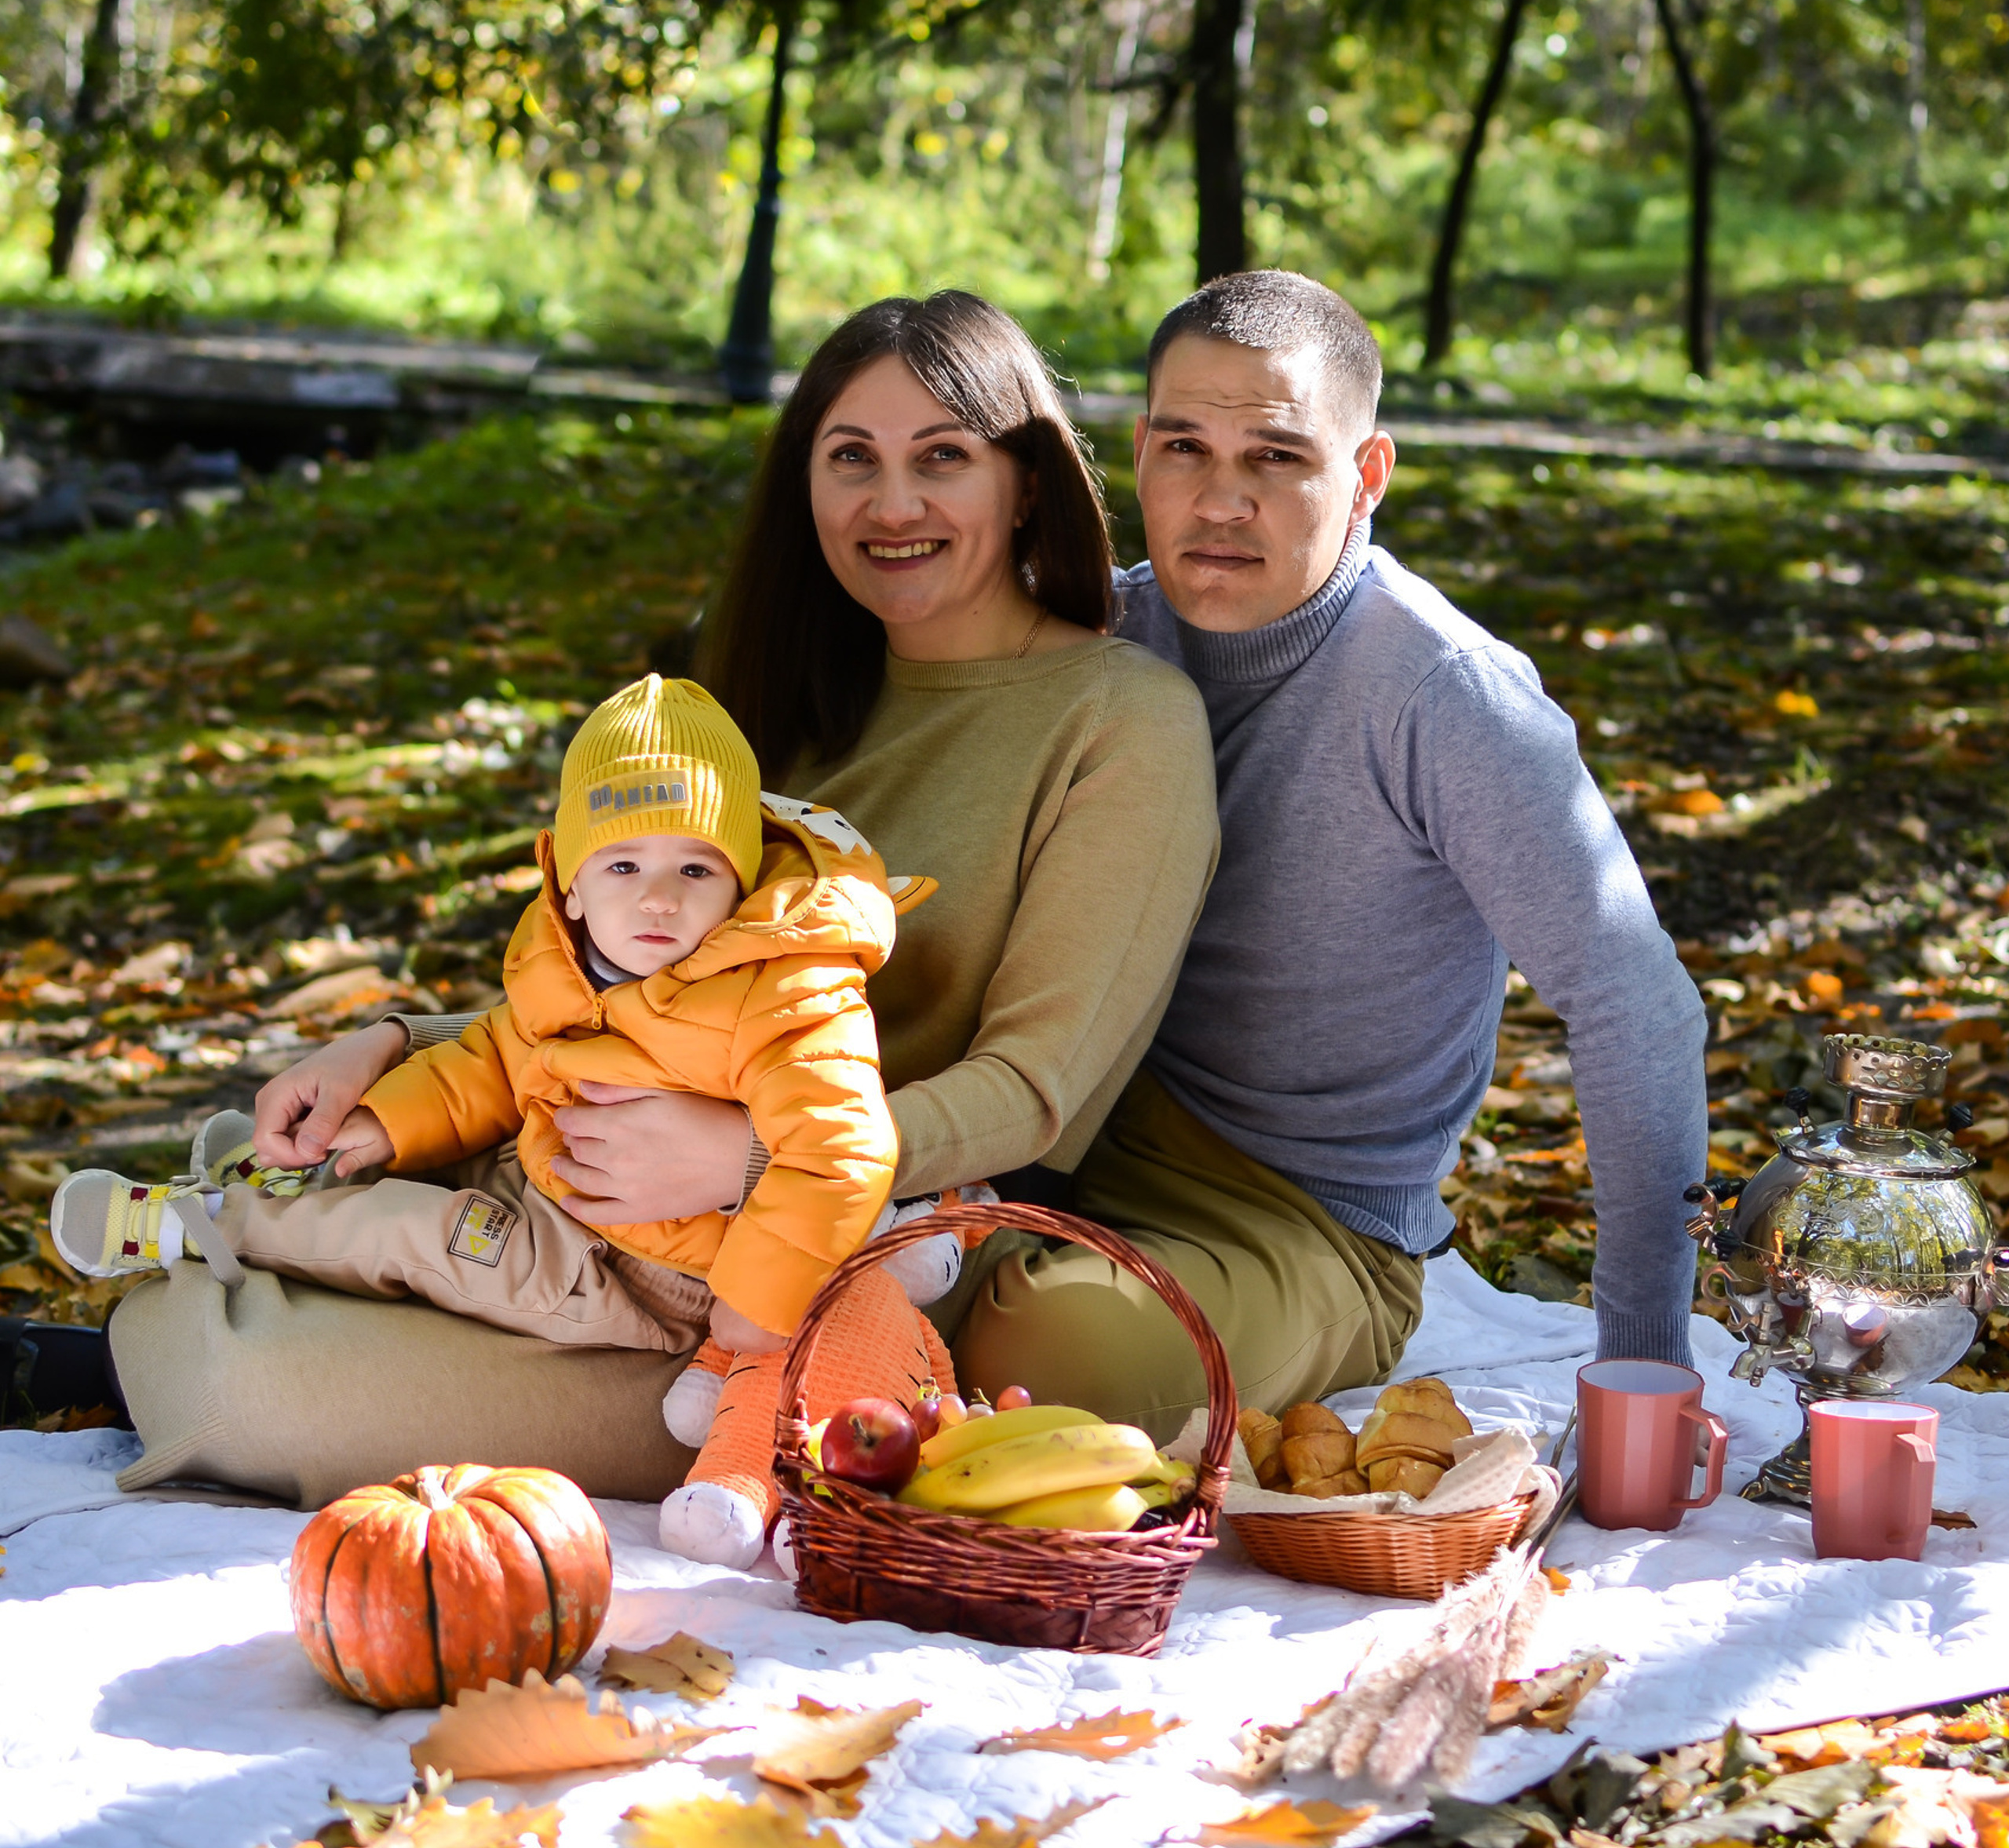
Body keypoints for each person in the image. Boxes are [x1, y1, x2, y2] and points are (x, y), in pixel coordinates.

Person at [104, 290, 1219, 1510]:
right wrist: (390, 1043)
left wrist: (749, 1160)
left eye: (942, 458)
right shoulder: (764, 698)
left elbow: (1039, 1092)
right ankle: (235, 1247)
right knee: (297, 1160)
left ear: (1025, 484)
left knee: (246, 1394)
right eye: (851, 460)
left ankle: (229, 1305)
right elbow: (624, 968)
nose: (891, 506)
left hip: (817, 1250)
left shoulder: (1120, 722)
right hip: (582, 1175)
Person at [952, 271, 1708, 1439]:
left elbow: (1634, 1005)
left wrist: (1647, 1369)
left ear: (1365, 478)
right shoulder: (1104, 636)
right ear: (1138, 452)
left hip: (1299, 1216)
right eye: (1187, 449)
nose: (1220, 501)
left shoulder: (1445, 698)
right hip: (1054, 1133)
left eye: (1276, 458)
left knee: (1048, 1352)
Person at [60, 672, 961, 1564]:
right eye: (623, 865)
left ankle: (217, 1225)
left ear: (742, 881)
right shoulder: (565, 959)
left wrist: (756, 1304)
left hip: (653, 1274)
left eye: (696, 868)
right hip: (550, 1185)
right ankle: (242, 1193)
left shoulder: (785, 989)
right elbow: (497, 1053)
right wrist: (389, 1115)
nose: (659, 897)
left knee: (423, 1235)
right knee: (381, 1188)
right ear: (568, 884)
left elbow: (842, 1144)